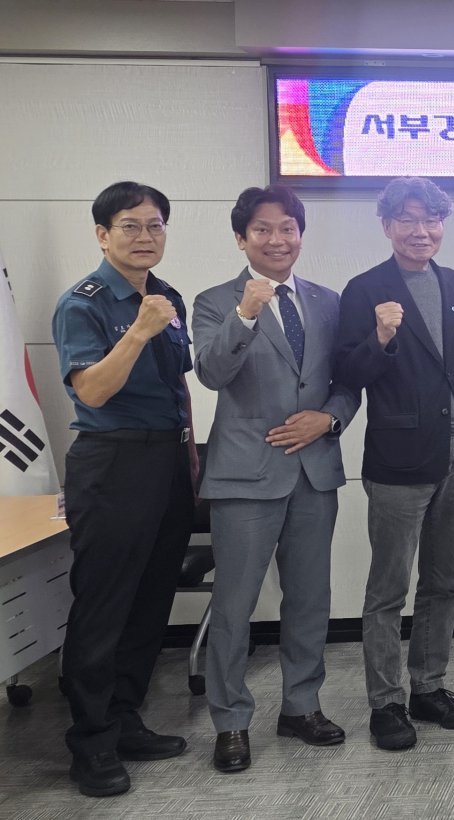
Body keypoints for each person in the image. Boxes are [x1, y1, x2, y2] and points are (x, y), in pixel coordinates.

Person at [191, 186, 358, 772]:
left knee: (310, 599)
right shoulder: (215, 301)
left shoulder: (328, 302)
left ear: (300, 235)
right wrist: (246, 314)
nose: (277, 239)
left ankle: (301, 706)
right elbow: (211, 372)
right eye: (262, 229)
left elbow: (349, 380)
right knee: (234, 605)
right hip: (245, 474)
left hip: (315, 471)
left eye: (288, 228)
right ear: (242, 238)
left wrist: (329, 418)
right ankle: (231, 721)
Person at [51, 181, 196, 797]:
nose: (145, 236)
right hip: (113, 462)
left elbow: (179, 385)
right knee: (104, 604)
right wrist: (137, 331)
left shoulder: (167, 296)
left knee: (150, 600)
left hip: (168, 460)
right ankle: (90, 743)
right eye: (130, 225)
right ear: (102, 234)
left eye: (155, 225)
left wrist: (190, 459)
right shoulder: (82, 304)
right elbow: (91, 390)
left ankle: (125, 718)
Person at [335, 177, 454, 751]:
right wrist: (380, 337)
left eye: (431, 220)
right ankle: (386, 702)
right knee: (388, 589)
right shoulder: (364, 288)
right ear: (387, 225)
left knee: (443, 582)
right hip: (399, 458)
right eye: (407, 219)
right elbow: (348, 374)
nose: (420, 230)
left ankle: (429, 686)